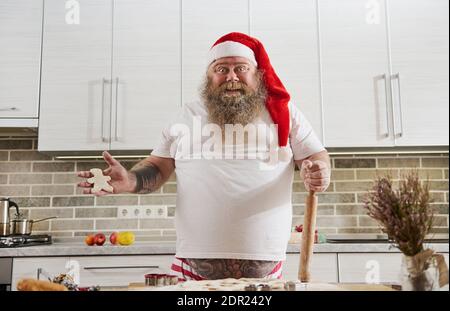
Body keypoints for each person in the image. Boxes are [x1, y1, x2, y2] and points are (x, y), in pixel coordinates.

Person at [77, 32, 331, 281]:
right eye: (221, 69)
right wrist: (131, 180)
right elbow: (157, 167)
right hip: (190, 273)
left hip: (266, 278)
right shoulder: (186, 115)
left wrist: (319, 172)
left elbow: (316, 156)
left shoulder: (285, 114)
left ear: (258, 74)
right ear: (208, 77)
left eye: (241, 68)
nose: (231, 77)